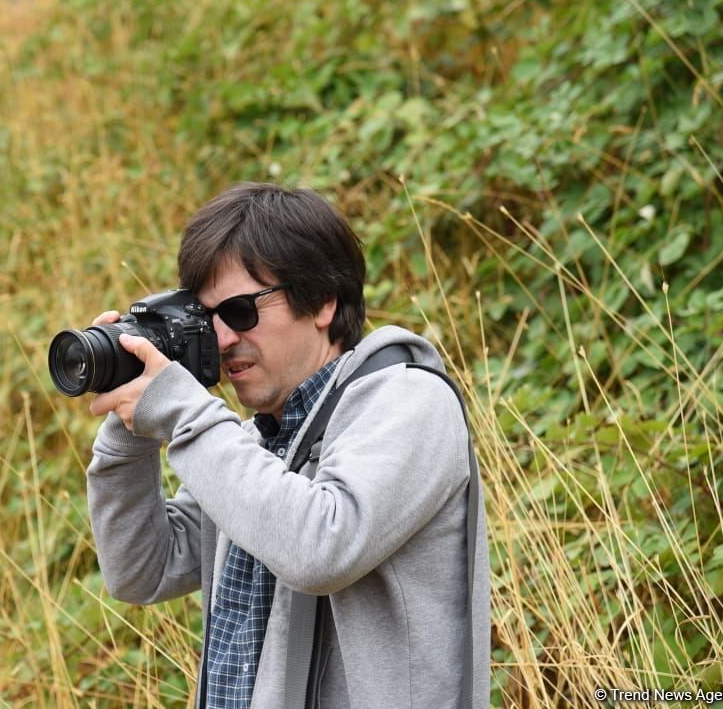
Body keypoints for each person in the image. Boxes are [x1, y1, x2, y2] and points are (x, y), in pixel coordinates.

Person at [85, 183, 489, 708]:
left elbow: (323, 547)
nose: (223, 338)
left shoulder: (408, 399)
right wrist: (132, 423)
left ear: (323, 301)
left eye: (241, 311)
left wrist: (185, 412)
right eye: (208, 319)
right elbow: (142, 571)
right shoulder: (256, 443)